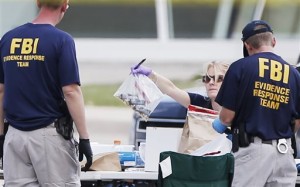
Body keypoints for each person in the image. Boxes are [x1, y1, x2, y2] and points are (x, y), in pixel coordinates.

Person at [0, 0, 93, 186]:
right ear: (64, 6)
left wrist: (1, 134)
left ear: (38, 3)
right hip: (48, 137)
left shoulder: (8, 39)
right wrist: (84, 138)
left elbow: (1, 90)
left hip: (15, 137)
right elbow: (71, 91)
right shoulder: (62, 40)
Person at [212, 20, 300, 186]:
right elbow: (297, 122)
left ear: (247, 45)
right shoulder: (294, 73)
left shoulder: (240, 67)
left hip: (253, 151)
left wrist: (219, 123)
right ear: (273, 41)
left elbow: (226, 117)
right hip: (285, 152)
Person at [131, 61, 229, 111]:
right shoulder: (199, 103)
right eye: (207, 78)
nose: (211, 82)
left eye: (218, 78)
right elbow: (171, 89)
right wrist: (150, 74)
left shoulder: (240, 107)